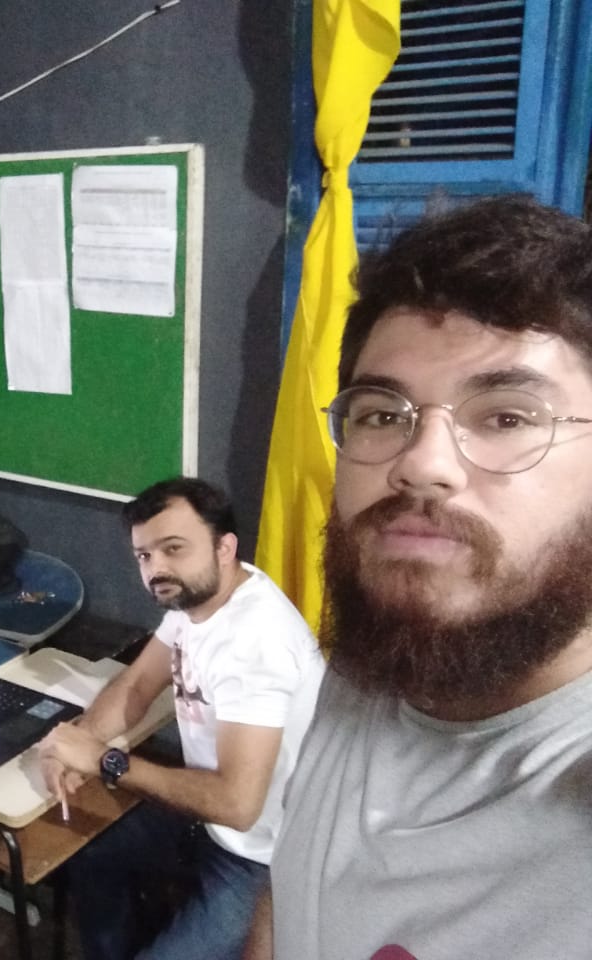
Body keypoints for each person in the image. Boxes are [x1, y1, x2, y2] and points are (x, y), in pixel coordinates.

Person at [252, 196, 592, 960]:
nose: (422, 464)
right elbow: (292, 882)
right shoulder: (370, 657)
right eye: (381, 414)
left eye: (506, 417)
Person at [39, 477, 324, 960]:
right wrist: (78, 742)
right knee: (89, 853)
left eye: (173, 549)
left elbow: (237, 805)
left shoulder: (255, 641)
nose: (157, 569)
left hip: (262, 858)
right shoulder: (198, 599)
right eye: (144, 556)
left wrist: (106, 761)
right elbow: (137, 685)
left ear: (224, 548)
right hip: (204, 823)